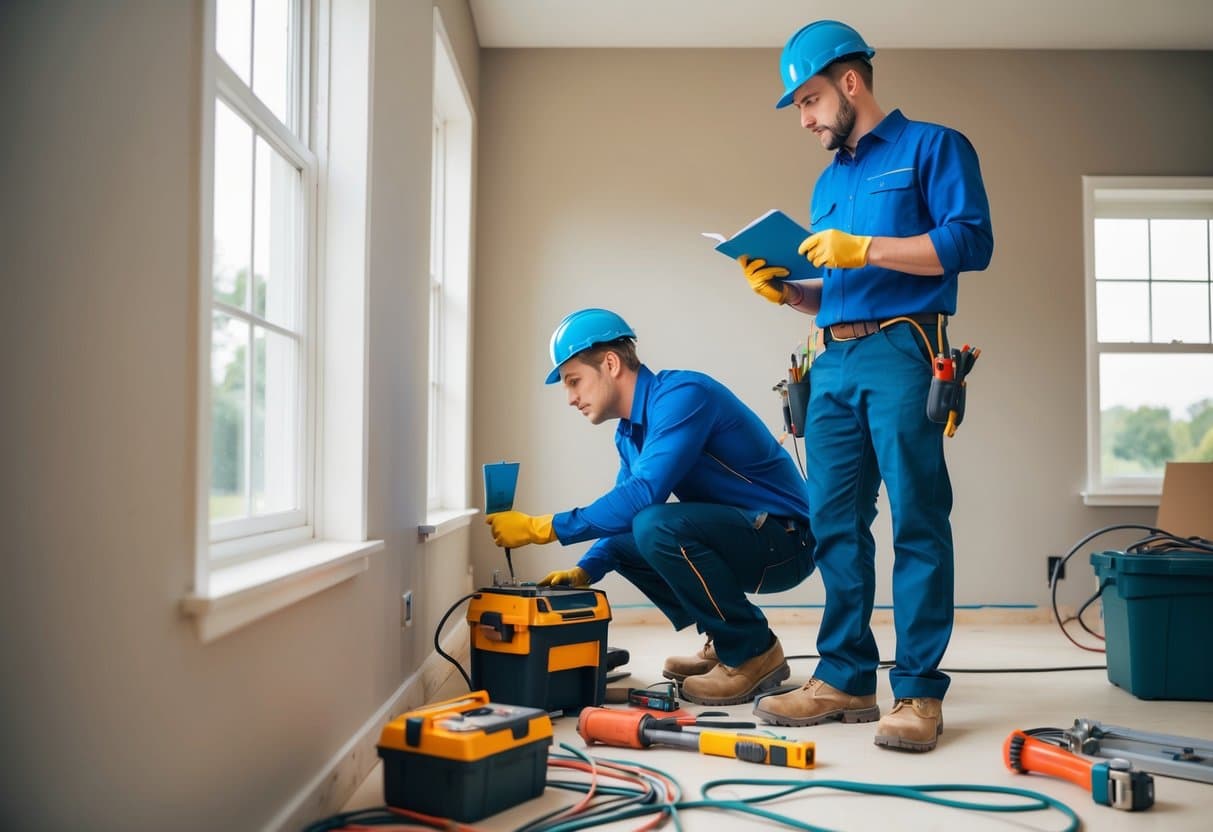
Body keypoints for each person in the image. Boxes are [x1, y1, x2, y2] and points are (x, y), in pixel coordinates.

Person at [742, 20, 994, 752]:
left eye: (811, 100)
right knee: (834, 523)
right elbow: (842, 290)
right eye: (797, 107)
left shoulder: (933, 147)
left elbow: (969, 242)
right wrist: (791, 294)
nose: (806, 118)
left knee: (917, 517)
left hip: (903, 349)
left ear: (850, 83)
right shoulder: (828, 180)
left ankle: (915, 692)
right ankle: (846, 677)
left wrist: (864, 248)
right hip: (833, 359)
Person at [485, 307, 816, 706]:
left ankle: (751, 649)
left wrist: (544, 528)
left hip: (788, 540)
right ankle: (725, 636)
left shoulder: (683, 396)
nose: (571, 398)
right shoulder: (629, 435)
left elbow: (642, 497)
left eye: (574, 381)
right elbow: (622, 517)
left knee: (653, 525)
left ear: (610, 363)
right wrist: (585, 569)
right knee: (633, 534)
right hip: (748, 535)